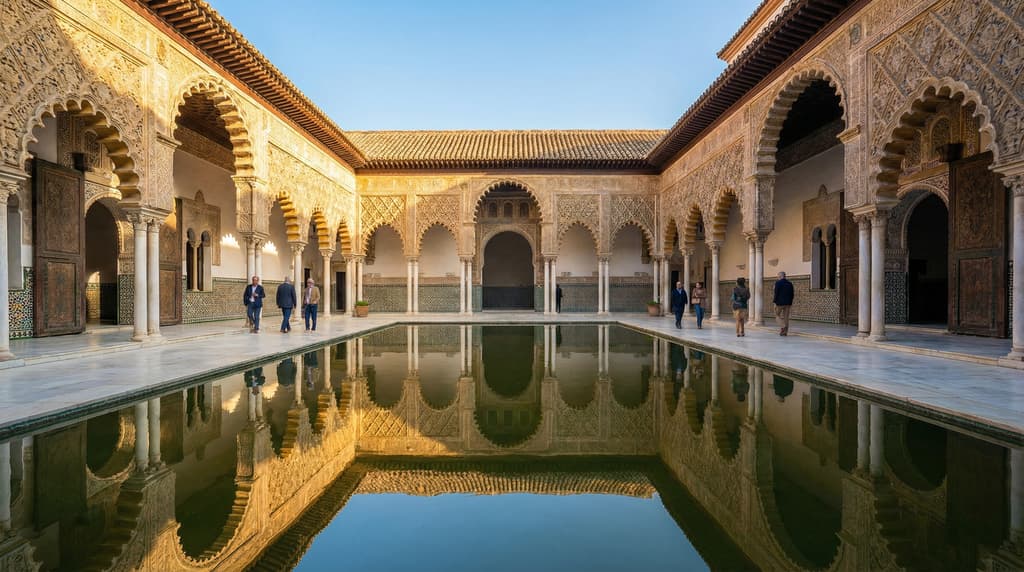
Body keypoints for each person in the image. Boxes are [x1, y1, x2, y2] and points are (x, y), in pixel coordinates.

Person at [773, 271, 795, 336]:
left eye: (778, 276)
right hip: (788, 303)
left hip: (780, 303)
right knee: (786, 317)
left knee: (777, 315)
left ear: (780, 276)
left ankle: (783, 326)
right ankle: (785, 332)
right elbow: (792, 294)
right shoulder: (790, 283)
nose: (778, 277)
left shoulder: (778, 283)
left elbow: (776, 293)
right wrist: (790, 302)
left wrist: (774, 302)